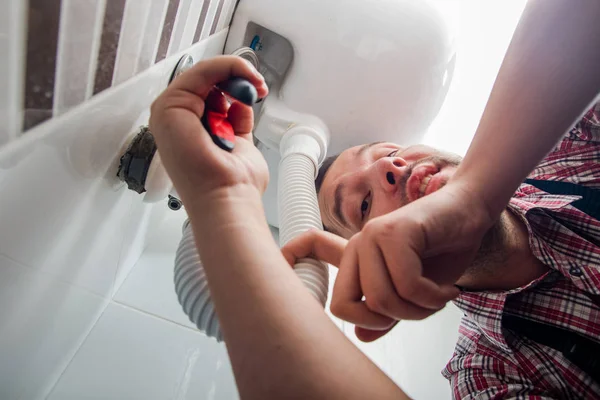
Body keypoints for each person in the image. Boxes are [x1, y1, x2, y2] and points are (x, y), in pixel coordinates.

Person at [149, 1, 600, 398]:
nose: (391, 169)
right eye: (363, 205)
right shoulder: (490, 374)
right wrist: (223, 196)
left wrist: (475, 196)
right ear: (363, 258)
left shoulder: (576, 147)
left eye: (389, 153)